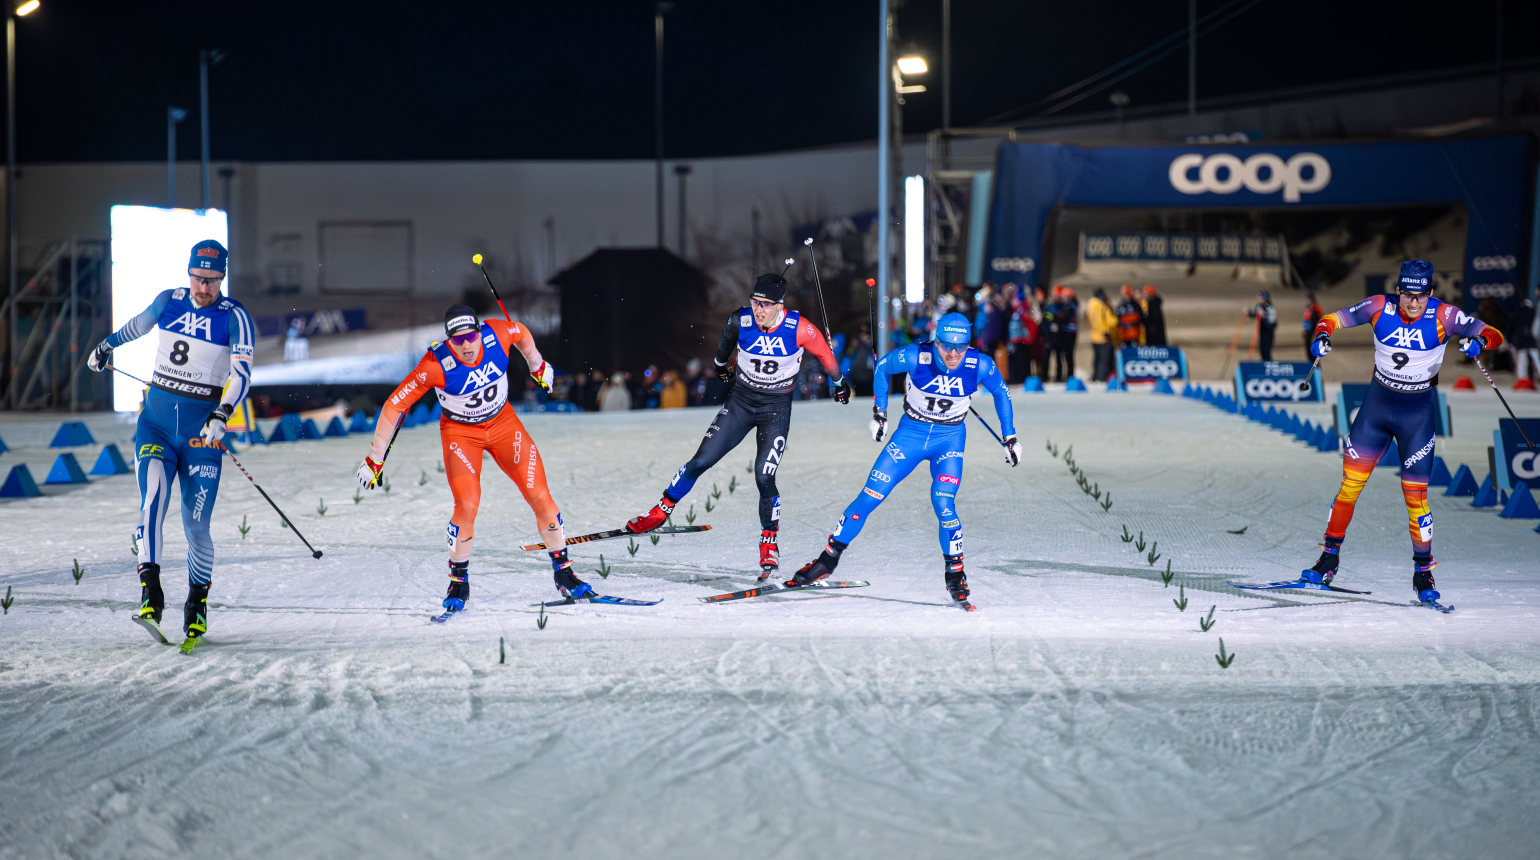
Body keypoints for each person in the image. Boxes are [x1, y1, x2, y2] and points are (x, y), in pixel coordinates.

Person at [355, 304, 587, 615]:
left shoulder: (498, 333)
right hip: (461, 435)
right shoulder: (433, 365)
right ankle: (458, 582)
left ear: (480, 332)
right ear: (448, 340)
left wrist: (537, 364)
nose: (466, 345)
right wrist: (375, 459)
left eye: (471, 337)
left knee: (539, 494)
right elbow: (393, 406)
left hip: (504, 425)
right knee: (467, 505)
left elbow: (521, 332)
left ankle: (565, 574)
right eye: (457, 339)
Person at [1303, 260, 1505, 609]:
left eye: (1421, 296)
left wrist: (1480, 343)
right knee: (1349, 487)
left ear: (1431, 292)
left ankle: (1423, 572)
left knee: (1416, 496)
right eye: (1408, 295)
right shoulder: (1379, 306)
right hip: (1377, 408)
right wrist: (1322, 335)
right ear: (1399, 292)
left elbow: (1493, 333)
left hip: (1417, 414)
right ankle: (1328, 559)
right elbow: (1331, 319)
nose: (1414, 303)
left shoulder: (1445, 316)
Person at [624, 273, 851, 578]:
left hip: (775, 409)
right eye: (755, 302)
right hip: (741, 404)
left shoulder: (799, 328)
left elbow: (825, 352)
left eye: (766, 304)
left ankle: (769, 541)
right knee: (700, 460)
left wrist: (839, 383)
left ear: (779, 305)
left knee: (764, 474)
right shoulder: (740, 321)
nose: (759, 309)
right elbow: (722, 353)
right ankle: (661, 510)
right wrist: (722, 371)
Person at [785, 313, 1019, 608]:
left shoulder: (980, 364)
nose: (954, 354)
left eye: (961, 347)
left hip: (949, 440)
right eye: (947, 347)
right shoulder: (915, 356)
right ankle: (827, 560)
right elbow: (882, 367)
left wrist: (1009, 437)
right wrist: (879, 413)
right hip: (910, 435)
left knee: (943, 502)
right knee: (870, 495)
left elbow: (1002, 393)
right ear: (937, 342)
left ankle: (955, 574)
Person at [85, 239, 255, 645]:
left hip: (201, 435)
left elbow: (243, 373)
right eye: (199, 278)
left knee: (196, 523)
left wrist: (221, 414)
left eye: (213, 281)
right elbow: (137, 325)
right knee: (153, 500)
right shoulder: (169, 301)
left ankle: (196, 603)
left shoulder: (235, 316)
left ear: (222, 279)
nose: (204, 288)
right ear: (189, 274)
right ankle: (151, 591)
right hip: (157, 426)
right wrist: (107, 345)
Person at [1085, 287, 1118, 382]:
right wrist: (1116, 314)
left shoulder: (1090, 305)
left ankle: (1095, 377)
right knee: (1103, 360)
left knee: (1097, 359)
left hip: (1094, 336)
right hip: (1104, 337)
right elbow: (1111, 321)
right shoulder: (1102, 306)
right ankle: (1100, 378)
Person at [1509, 297, 1538, 386]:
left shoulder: (1519, 312)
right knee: (1536, 359)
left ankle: (1522, 379)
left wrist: (1510, 339)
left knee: (1522, 360)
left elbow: (1512, 326)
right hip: (1531, 339)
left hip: (1520, 340)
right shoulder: (1534, 313)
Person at [1247, 289, 1277, 361]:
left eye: (1260, 296)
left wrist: (1262, 317)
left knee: (1266, 351)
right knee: (1262, 350)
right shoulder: (1258, 306)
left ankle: (1269, 365)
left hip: (1268, 331)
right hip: (1262, 330)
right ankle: (1264, 364)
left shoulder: (1269, 307)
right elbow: (1256, 315)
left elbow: (1270, 322)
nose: (1258, 298)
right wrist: (1249, 313)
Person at [1055, 286, 1079, 379]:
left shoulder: (1071, 306)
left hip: (1069, 333)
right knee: (1066, 355)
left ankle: (1070, 375)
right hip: (1067, 332)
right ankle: (1068, 375)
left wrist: (1053, 317)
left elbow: (1063, 318)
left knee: (1068, 354)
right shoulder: (1069, 306)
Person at [1301, 292, 1324, 359]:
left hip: (1312, 332)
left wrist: (1311, 334)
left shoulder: (1315, 308)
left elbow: (1315, 322)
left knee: (1311, 353)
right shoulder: (1311, 307)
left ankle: (1315, 368)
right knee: (1309, 352)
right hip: (1309, 331)